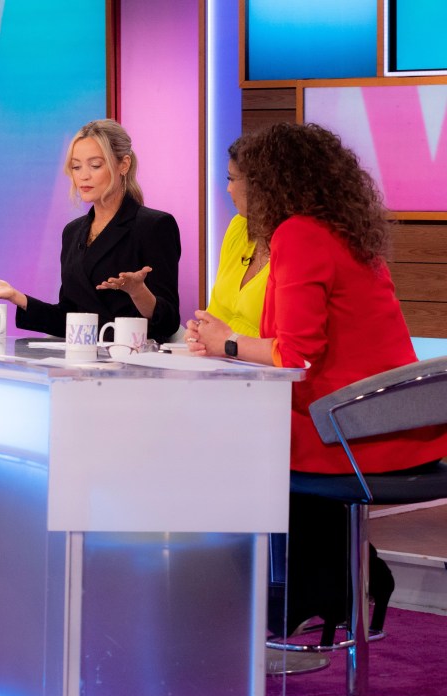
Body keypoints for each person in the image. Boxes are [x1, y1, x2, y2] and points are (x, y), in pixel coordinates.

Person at [186, 122, 447, 636]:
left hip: (357, 430)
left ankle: (310, 587)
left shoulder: (298, 234)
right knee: (254, 435)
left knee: (234, 447)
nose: (230, 189)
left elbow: (297, 355)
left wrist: (227, 344)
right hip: (400, 425)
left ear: (269, 183)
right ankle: (343, 580)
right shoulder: (341, 229)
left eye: (237, 179)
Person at [0, 119, 181, 343]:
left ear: (123, 164)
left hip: (131, 361)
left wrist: (138, 291)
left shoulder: (155, 226)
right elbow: (69, 318)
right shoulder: (73, 231)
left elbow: (168, 322)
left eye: (95, 165)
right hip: (81, 357)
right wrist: (17, 297)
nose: (83, 176)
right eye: (76, 167)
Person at [198, 137, 268, 338]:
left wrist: (227, 344)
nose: (228, 189)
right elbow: (216, 313)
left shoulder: (296, 244)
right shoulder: (238, 228)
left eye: (232, 179)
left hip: (265, 365)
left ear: (260, 185)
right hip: (221, 362)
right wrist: (201, 332)